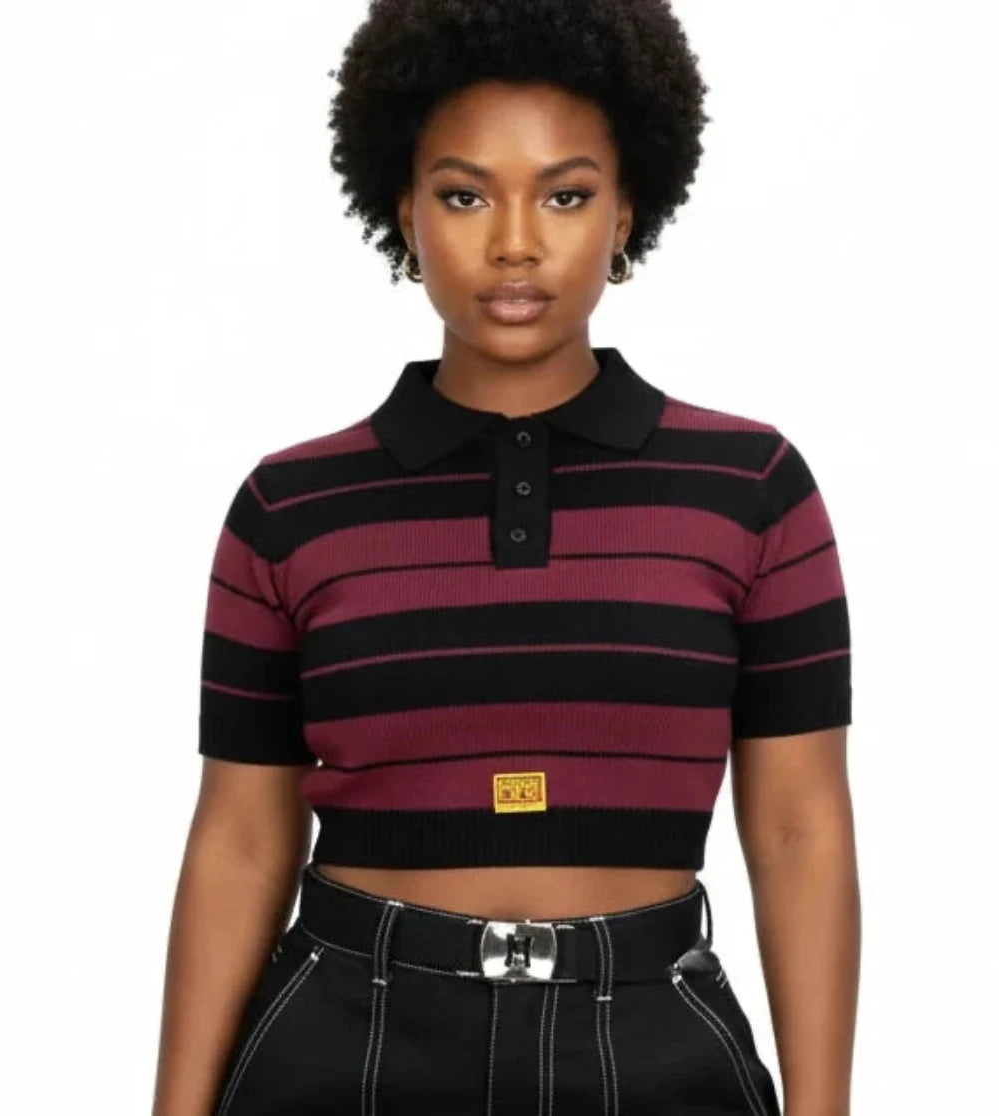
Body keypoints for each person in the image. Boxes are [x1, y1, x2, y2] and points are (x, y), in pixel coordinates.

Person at [153, 2, 860, 1113]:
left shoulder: (751, 488)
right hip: (346, 1042)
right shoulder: (289, 508)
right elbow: (240, 839)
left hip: (652, 1048)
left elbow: (798, 831)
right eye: (465, 195)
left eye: (565, 195)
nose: (516, 242)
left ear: (627, 213)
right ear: (404, 211)